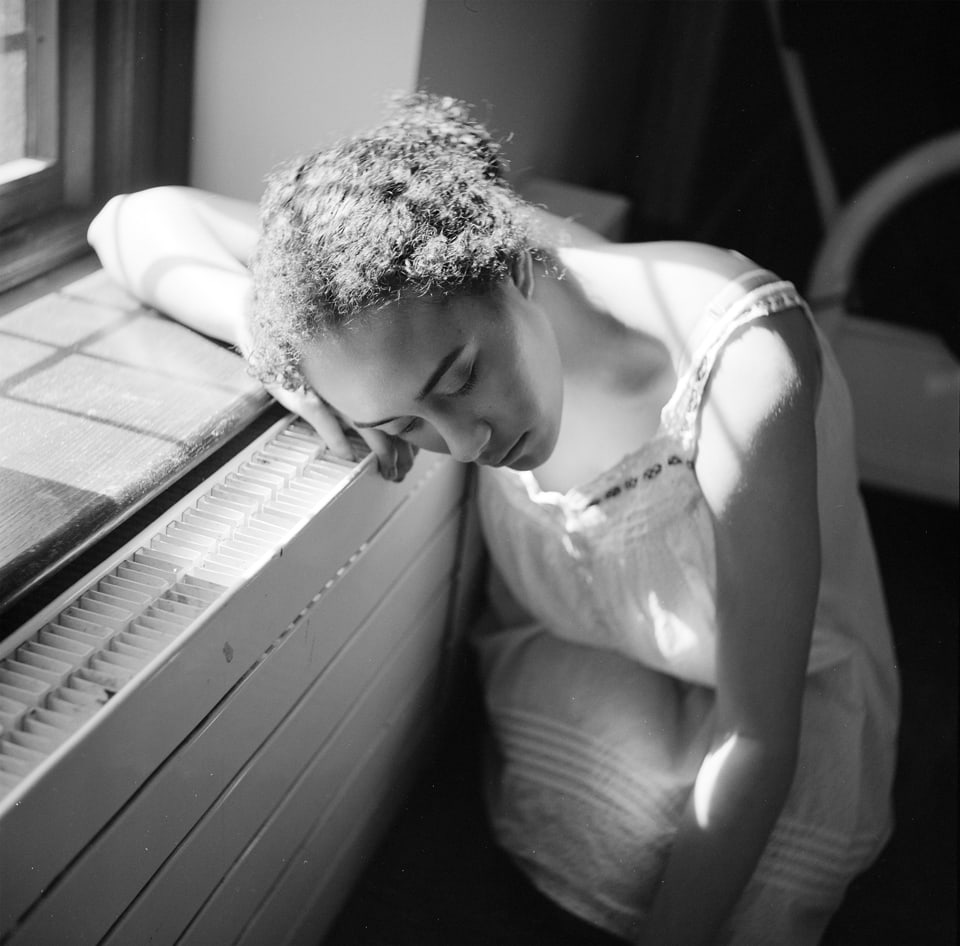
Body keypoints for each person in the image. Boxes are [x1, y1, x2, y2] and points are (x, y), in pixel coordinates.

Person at [88, 93, 899, 945]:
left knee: (737, 890)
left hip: (778, 696)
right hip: (590, 649)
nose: (467, 445)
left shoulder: (741, 369)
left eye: (462, 377)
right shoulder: (381, 305)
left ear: (513, 272)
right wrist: (281, 356)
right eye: (406, 424)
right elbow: (129, 221)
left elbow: (757, 734)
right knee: (617, 845)